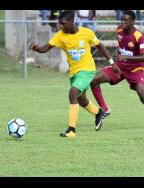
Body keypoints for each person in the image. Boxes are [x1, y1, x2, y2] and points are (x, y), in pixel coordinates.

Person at [29, 10, 120, 138]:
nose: (61, 26)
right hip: (74, 72)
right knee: (81, 100)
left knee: (73, 92)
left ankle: (71, 130)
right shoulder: (60, 35)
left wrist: (112, 63)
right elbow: (46, 48)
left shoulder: (86, 33)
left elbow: (100, 46)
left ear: (71, 22)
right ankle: (99, 113)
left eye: (63, 24)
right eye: (59, 24)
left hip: (87, 70)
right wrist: (36, 48)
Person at [90, 10, 144, 129]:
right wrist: (118, 54)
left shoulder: (139, 36)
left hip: (135, 69)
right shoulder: (119, 30)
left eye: (125, 20)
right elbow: (122, 46)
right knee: (94, 80)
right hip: (120, 66)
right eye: (121, 20)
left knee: (143, 95)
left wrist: (125, 57)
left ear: (133, 21)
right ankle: (105, 109)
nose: (122, 22)